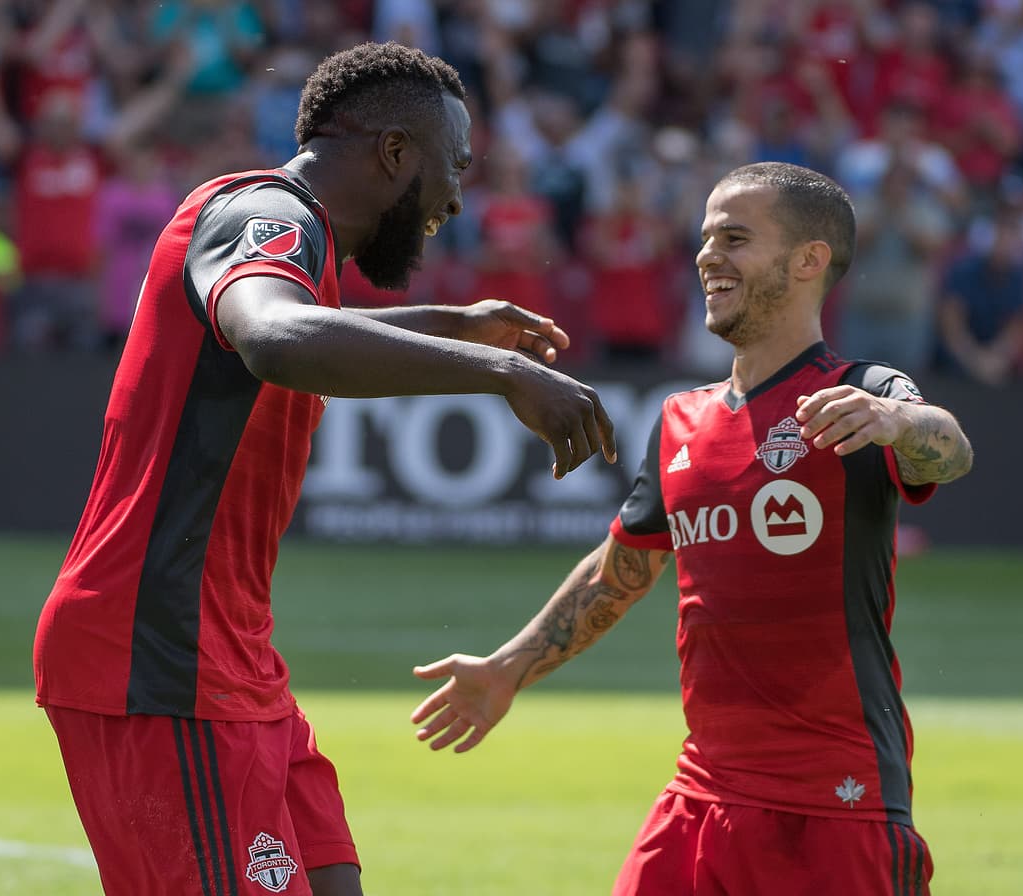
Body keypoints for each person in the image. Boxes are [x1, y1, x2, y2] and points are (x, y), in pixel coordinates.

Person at [32, 41, 616, 896]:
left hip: (229, 658)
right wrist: (502, 372)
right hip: (156, 658)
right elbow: (274, 336)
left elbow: (297, 317)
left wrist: (455, 325)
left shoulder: (293, 245)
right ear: (392, 153)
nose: (456, 198)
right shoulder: (266, 211)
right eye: (452, 166)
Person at [412, 162, 974, 896]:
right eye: (706, 237)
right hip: (700, 798)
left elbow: (951, 447)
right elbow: (620, 570)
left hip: (837, 805)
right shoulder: (683, 418)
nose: (708, 255)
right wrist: (508, 667)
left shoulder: (862, 395)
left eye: (735, 238)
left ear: (809, 260)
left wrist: (900, 423)